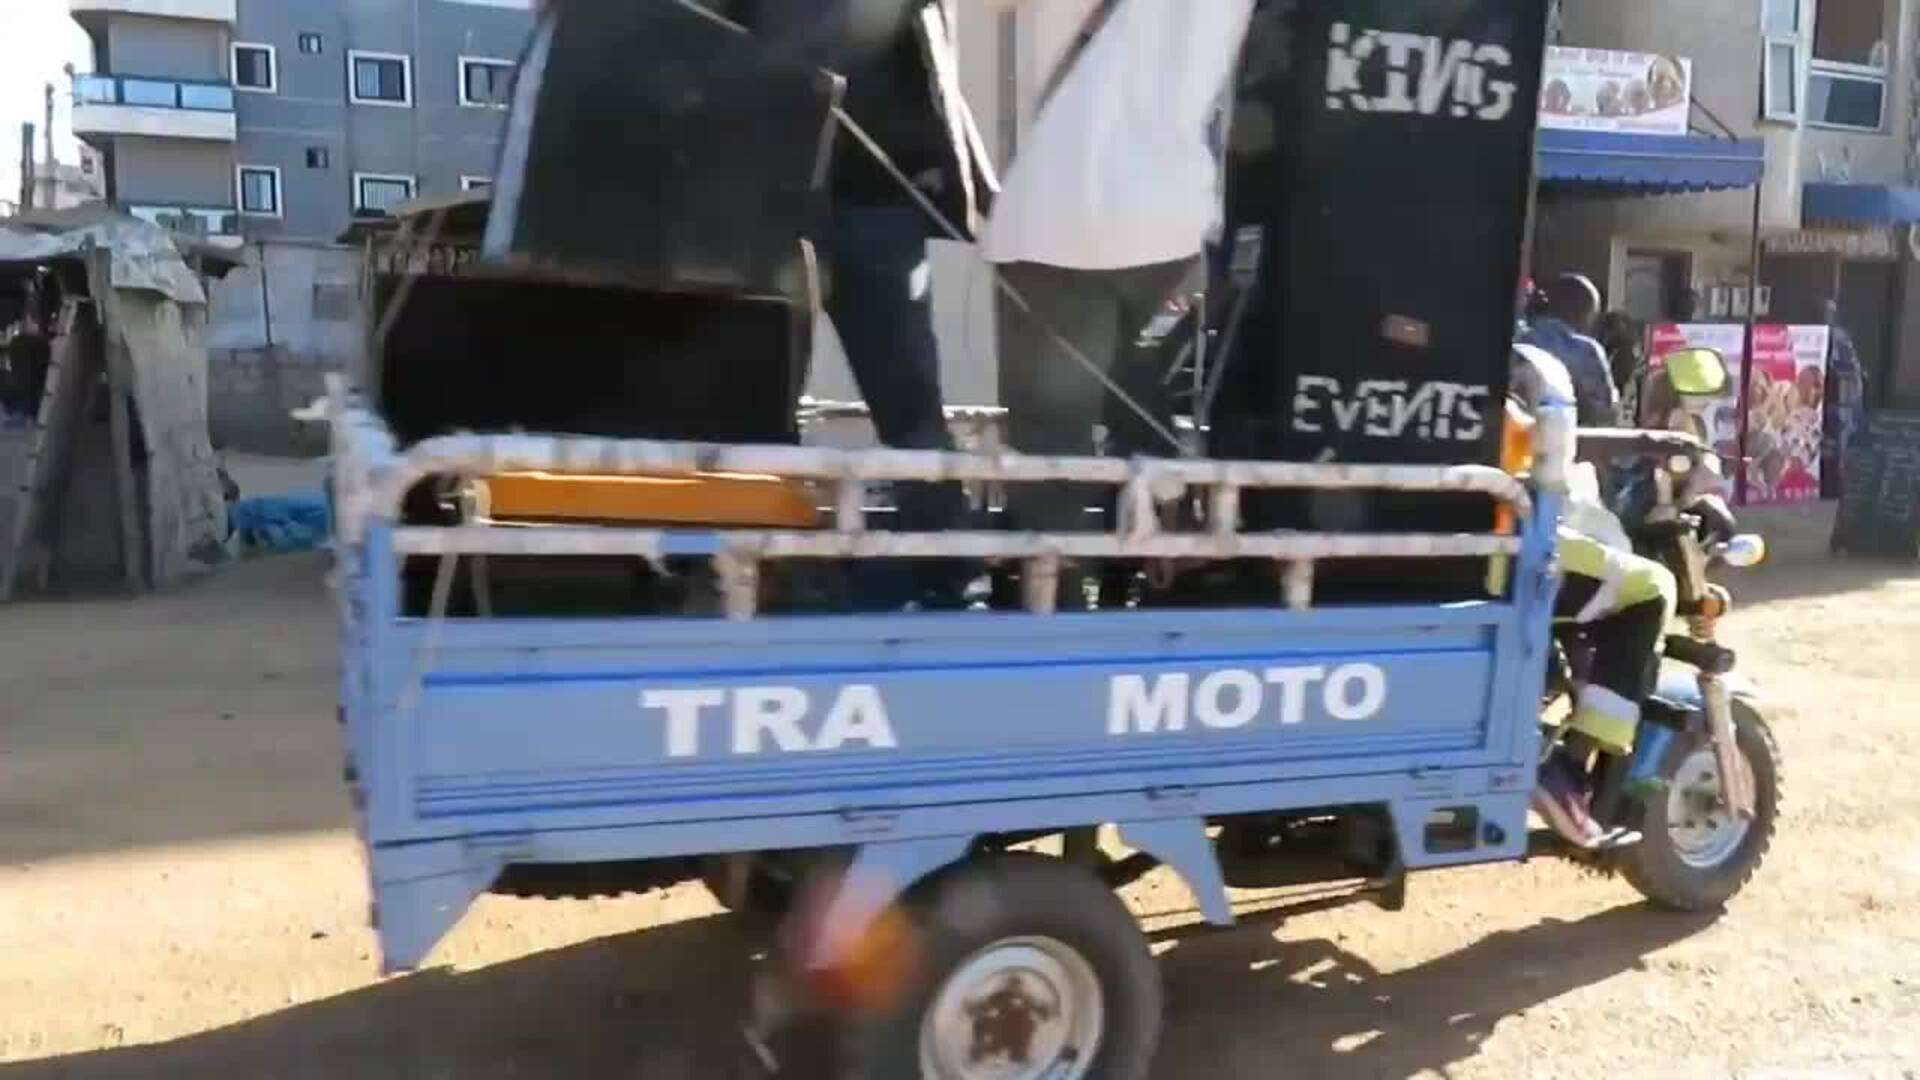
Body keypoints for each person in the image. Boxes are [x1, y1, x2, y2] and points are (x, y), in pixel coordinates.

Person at [705, 0, 998, 606]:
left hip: (880, 210)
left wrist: (973, 181)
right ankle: (764, 568)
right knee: (761, 398)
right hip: (771, 207)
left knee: (912, 402)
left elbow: (936, 70)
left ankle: (946, 567)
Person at [981, 0, 1256, 592]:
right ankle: (1154, 581)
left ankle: (1054, 607)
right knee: (1148, 413)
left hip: (1057, 219)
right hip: (1171, 221)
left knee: (1053, 441)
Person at [1511, 345, 1677, 849]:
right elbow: (1550, 453)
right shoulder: (1503, 368)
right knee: (1651, 588)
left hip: (1453, 544)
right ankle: (1570, 761)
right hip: (1505, 546)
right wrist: (1657, 444)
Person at [1521, 273, 1619, 428]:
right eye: (1592, 315)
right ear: (1583, 312)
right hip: (1564, 441)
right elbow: (1603, 413)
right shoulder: (1586, 350)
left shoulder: (1519, 338)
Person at [1821, 299, 1869, 500]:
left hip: (1839, 400)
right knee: (1843, 443)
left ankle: (1835, 486)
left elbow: (1839, 371)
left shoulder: (1832, 338)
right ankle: (1840, 485)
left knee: (1836, 445)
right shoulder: (1842, 338)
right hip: (1848, 400)